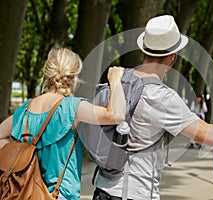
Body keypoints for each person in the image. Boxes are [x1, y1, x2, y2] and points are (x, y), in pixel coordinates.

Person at [92, 15, 213, 200]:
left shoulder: (118, 80)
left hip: (102, 189)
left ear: (144, 51)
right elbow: (209, 135)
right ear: (172, 57)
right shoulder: (161, 97)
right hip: (134, 193)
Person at [0, 47, 126, 200]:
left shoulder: (25, 110)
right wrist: (115, 80)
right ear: (74, 76)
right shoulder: (72, 108)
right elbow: (116, 115)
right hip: (59, 194)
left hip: (25, 192)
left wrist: (19, 154)